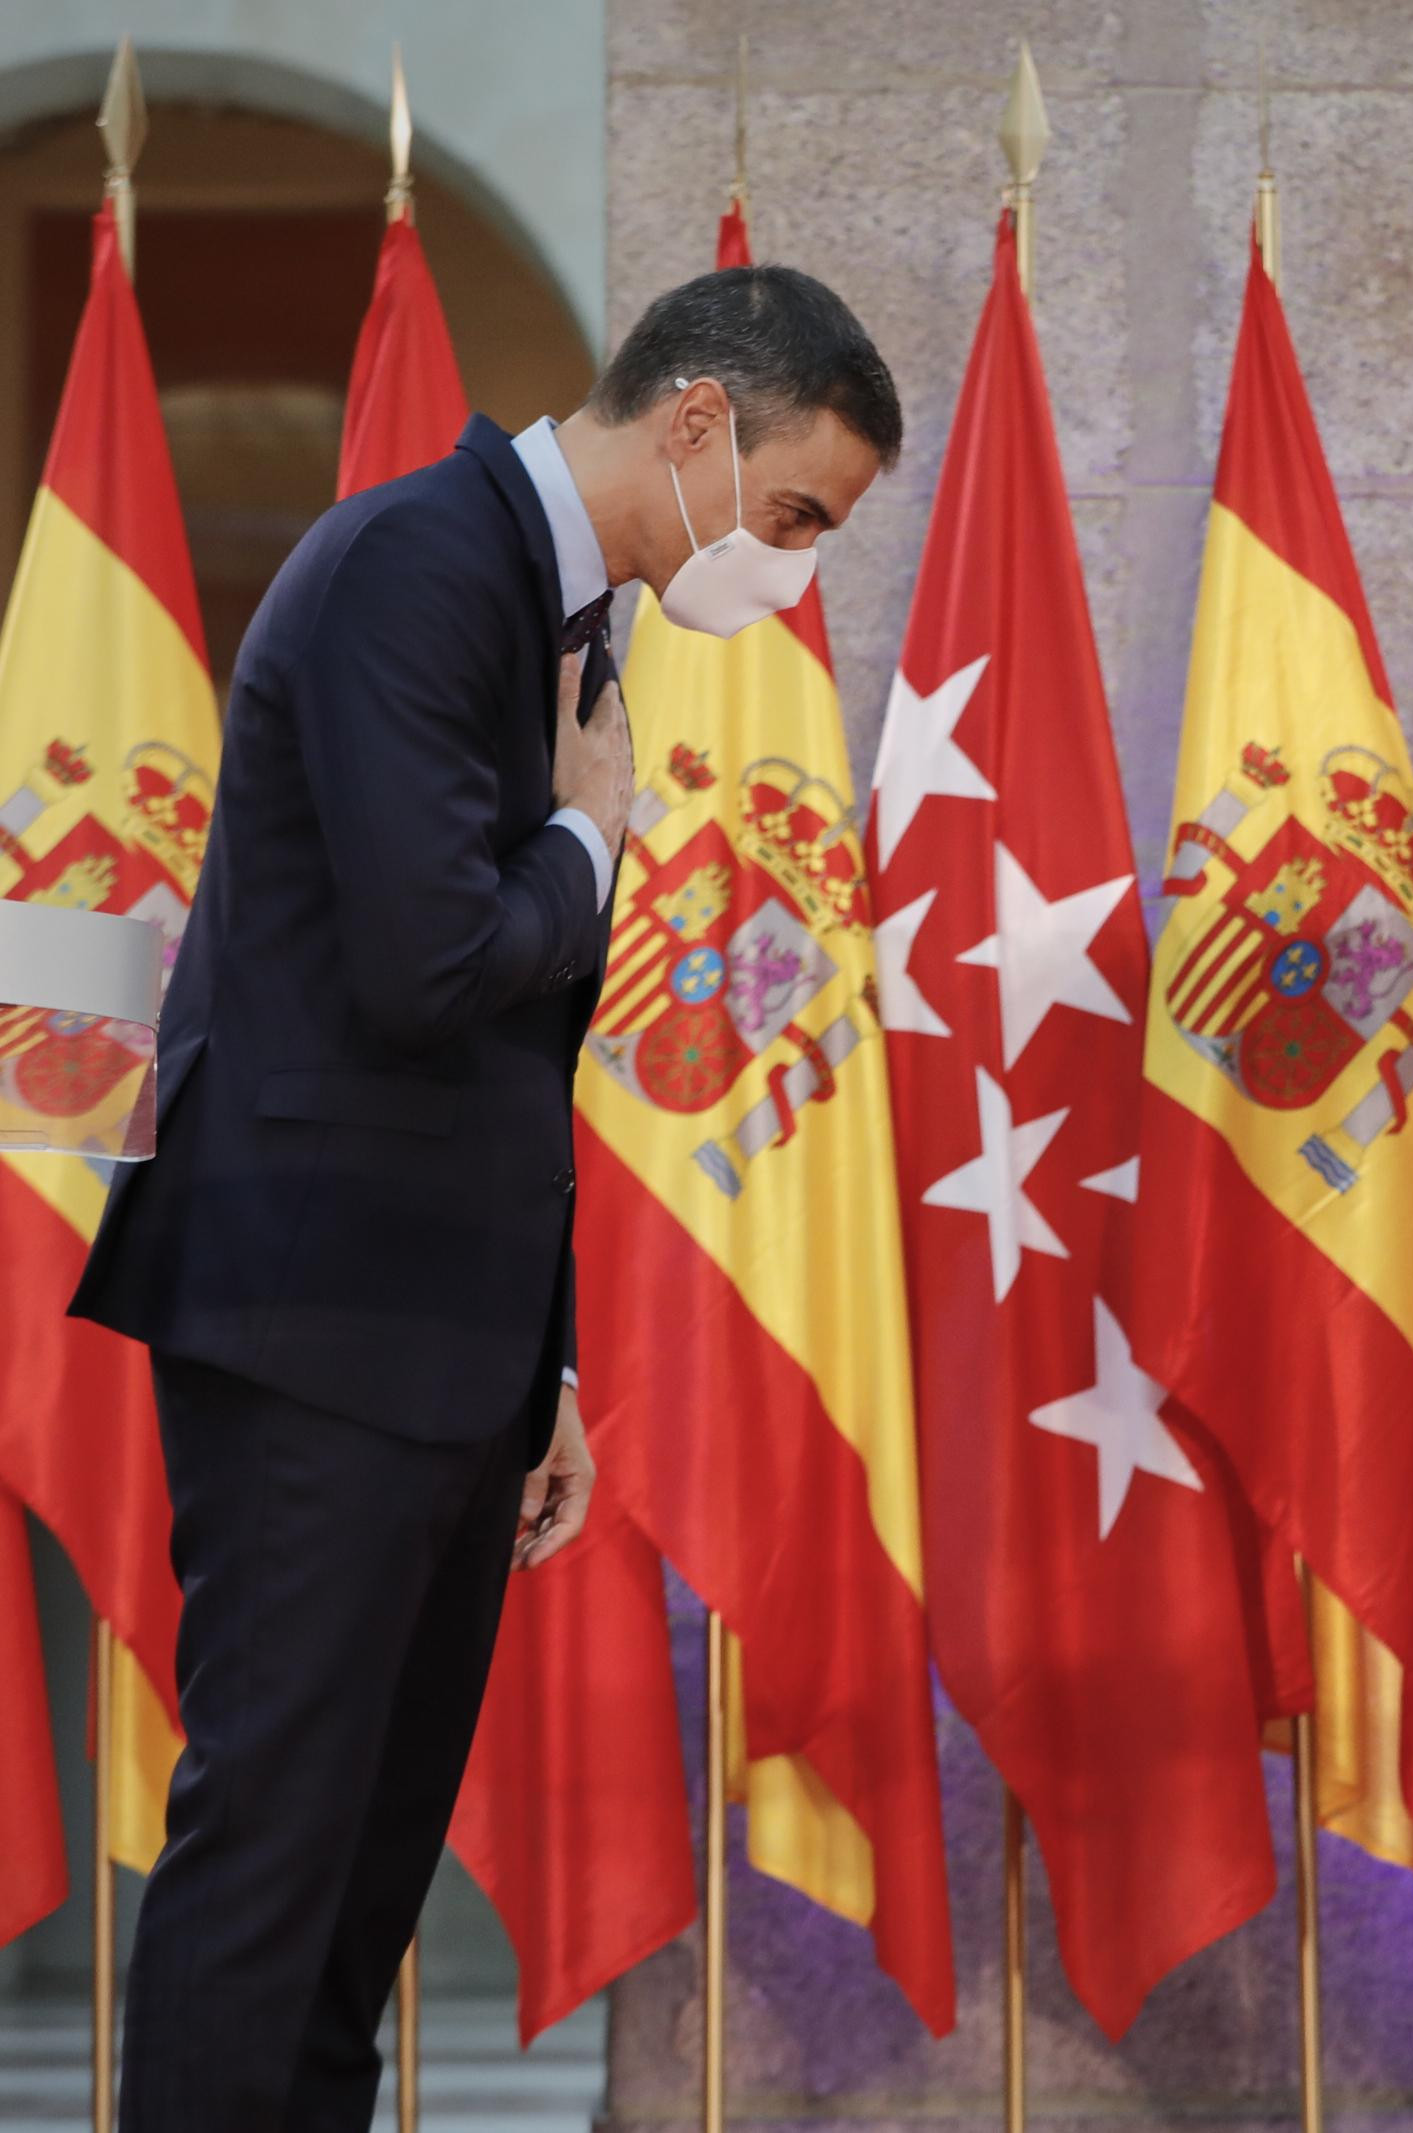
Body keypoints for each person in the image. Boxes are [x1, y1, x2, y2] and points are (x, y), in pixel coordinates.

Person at [71, 263, 900, 2131]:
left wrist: (553, 1371)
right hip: (312, 1323)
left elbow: (510, 1064)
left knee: (362, 1892)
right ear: (697, 417)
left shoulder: (566, 616)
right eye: (793, 515)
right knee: (273, 1865)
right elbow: (430, 963)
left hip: (440, 1344)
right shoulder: (415, 568)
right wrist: (592, 834)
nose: (791, 563)